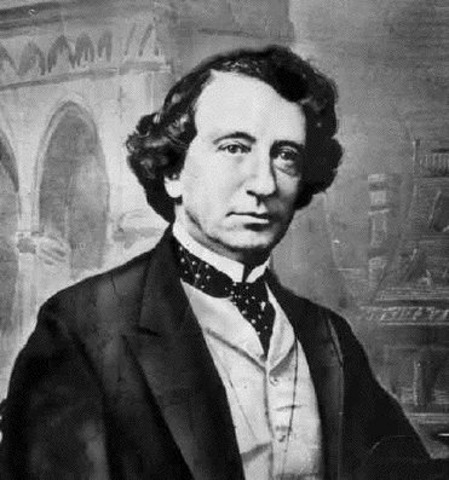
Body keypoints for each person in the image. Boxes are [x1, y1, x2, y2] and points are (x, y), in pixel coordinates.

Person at [1, 45, 430, 479]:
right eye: (235, 148)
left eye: (285, 155)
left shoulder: (328, 337)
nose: (264, 183)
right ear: (173, 172)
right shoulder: (82, 329)